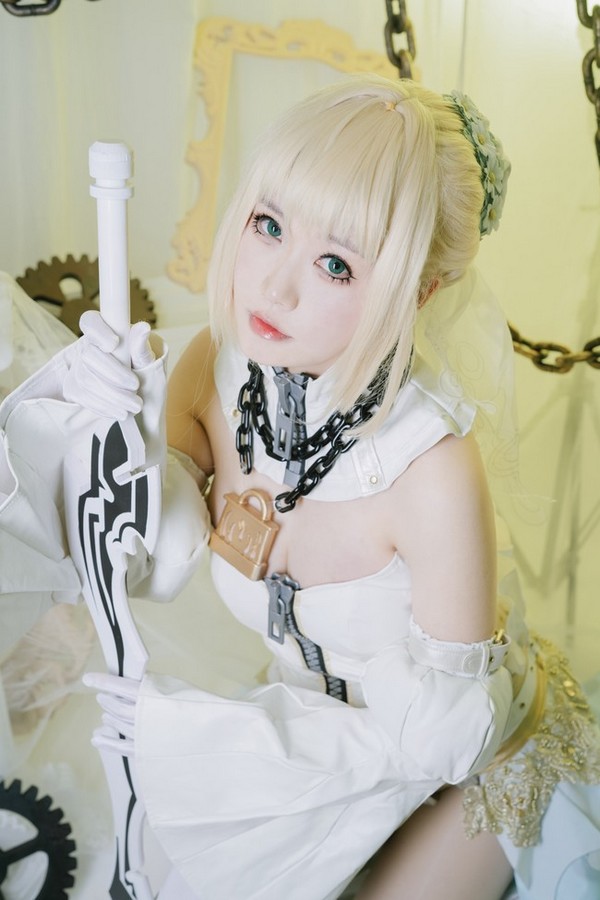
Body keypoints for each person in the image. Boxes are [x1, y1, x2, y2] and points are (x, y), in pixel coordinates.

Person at [1, 74, 599, 900]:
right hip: (298, 738)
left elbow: (436, 745)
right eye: (269, 225)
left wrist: (213, 740)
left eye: (335, 265)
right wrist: (112, 428)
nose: (275, 288)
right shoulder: (217, 369)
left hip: (473, 767)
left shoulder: (433, 469)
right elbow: (141, 559)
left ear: (418, 293)